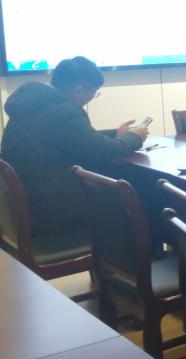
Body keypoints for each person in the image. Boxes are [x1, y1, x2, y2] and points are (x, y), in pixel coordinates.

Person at [1, 56, 149, 243]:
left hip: (30, 205)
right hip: (53, 214)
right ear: (78, 90)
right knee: (132, 201)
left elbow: (74, 138)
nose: (92, 97)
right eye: (94, 92)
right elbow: (103, 150)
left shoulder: (34, 105)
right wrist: (135, 137)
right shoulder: (63, 110)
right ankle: (140, 253)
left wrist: (116, 133)